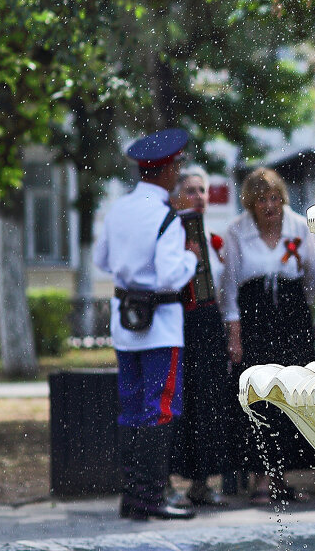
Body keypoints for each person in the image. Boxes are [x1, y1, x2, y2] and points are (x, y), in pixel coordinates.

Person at [95, 128, 198, 520]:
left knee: (132, 408)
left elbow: (102, 262)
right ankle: (152, 497)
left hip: (126, 323)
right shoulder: (166, 217)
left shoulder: (118, 209)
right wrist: (191, 257)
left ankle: (134, 495)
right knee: (160, 409)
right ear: (168, 170)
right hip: (161, 326)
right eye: (177, 166)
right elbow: (173, 276)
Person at [222, 167, 315, 505]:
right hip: (255, 319)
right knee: (260, 394)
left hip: (290, 320)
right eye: (262, 200)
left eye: (275, 198)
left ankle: (284, 477)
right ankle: (261, 477)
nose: (270, 206)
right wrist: (234, 335)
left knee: (291, 394)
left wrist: (301, 307)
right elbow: (231, 288)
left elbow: (314, 273)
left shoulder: (297, 226)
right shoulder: (237, 232)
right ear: (251, 205)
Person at [167, 167, 235, 507]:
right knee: (179, 402)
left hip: (210, 327)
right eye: (191, 190)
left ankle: (203, 482)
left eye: (203, 190)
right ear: (178, 196)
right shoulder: (170, 235)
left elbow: (226, 289)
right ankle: (169, 481)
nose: (199, 197)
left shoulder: (214, 239)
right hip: (179, 325)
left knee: (208, 403)